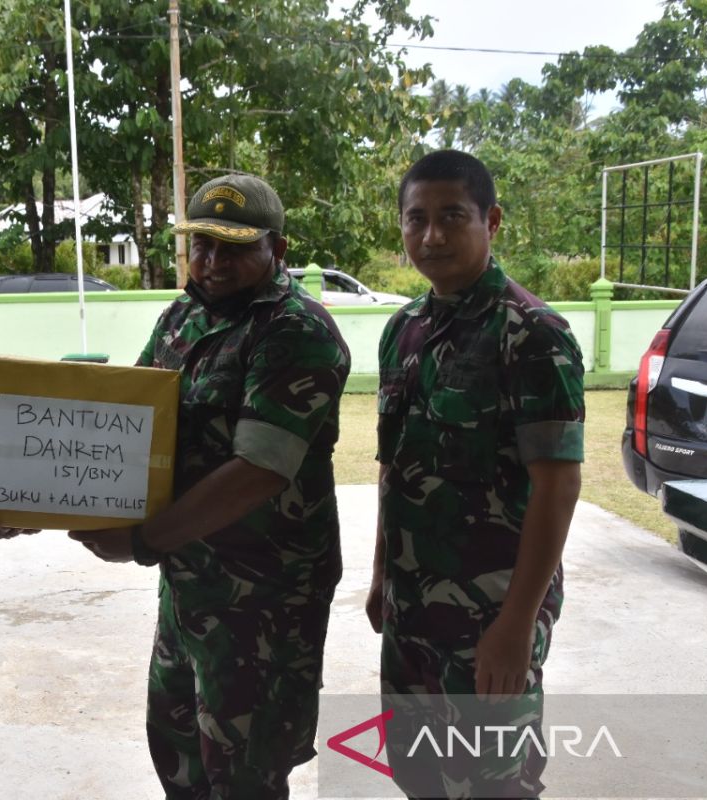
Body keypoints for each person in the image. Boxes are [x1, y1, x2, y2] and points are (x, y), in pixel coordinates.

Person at [71, 174, 351, 799]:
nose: (213, 261)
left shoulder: (296, 330)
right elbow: (132, 419)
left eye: (234, 248)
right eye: (201, 244)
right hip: (191, 584)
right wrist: (28, 491)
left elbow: (258, 470)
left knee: (245, 771)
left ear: (276, 252)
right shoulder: (184, 314)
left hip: (264, 599)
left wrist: (143, 540)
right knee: (179, 754)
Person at [366, 150, 585, 798]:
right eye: (416, 219)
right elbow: (392, 465)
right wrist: (382, 572)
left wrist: (516, 626)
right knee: (419, 771)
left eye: (451, 216)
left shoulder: (532, 334)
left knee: (495, 780)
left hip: (491, 613)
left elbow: (558, 484)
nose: (431, 236)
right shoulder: (402, 330)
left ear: (491, 221)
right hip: (412, 609)